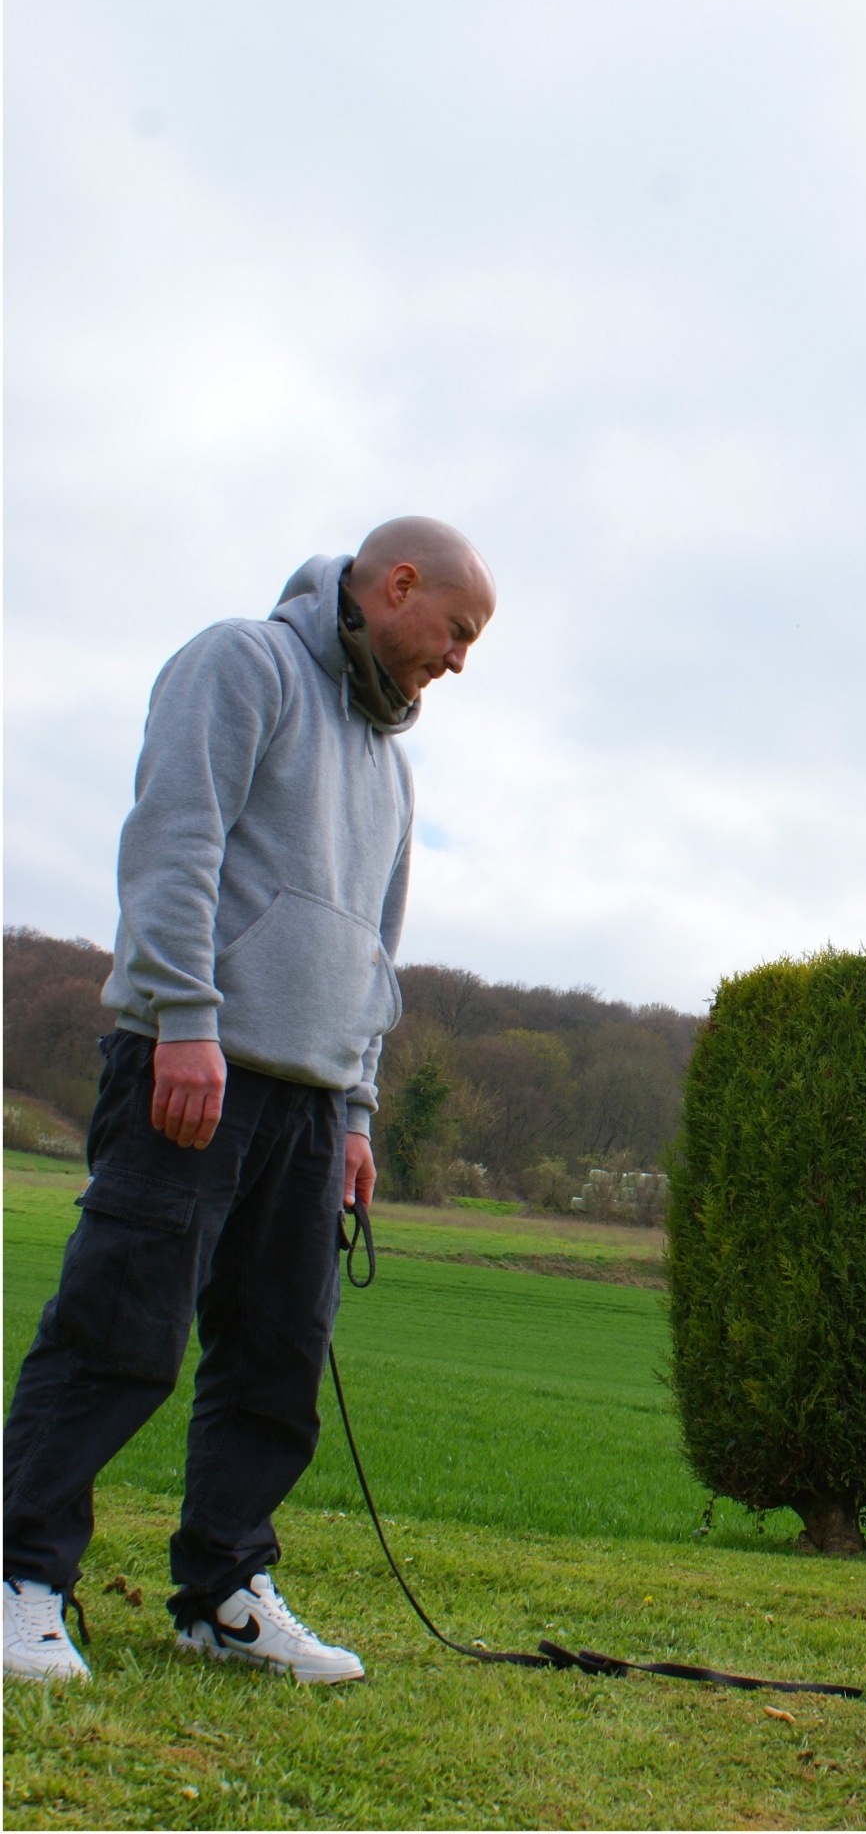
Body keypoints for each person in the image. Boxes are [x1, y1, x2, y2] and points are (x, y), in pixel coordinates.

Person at [3, 517, 496, 1684]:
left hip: (313, 1108)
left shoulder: (395, 766)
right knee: (119, 1333)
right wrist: (183, 1019)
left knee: (277, 1359)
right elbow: (174, 841)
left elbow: (377, 948)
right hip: (195, 1068)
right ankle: (20, 1575)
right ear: (397, 585)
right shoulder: (242, 664)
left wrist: (361, 1116)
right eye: (457, 631)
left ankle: (221, 1590)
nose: (461, 661)